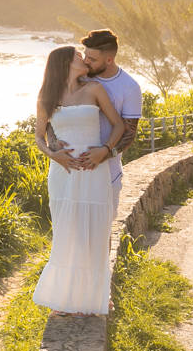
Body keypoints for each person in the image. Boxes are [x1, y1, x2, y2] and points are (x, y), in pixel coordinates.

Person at [31, 45, 124, 317]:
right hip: (63, 172)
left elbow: (118, 125)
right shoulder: (47, 96)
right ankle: (63, 298)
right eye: (78, 56)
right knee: (67, 232)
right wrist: (53, 155)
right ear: (65, 63)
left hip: (94, 169)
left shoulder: (94, 89)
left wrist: (104, 151)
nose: (84, 58)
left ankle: (89, 299)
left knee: (94, 232)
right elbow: (38, 137)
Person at [48, 29, 142, 218]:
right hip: (71, 170)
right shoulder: (80, 76)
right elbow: (53, 115)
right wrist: (53, 144)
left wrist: (104, 153)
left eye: (92, 59)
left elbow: (129, 132)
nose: (86, 61)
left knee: (102, 228)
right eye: (84, 56)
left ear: (109, 60)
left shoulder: (129, 88)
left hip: (108, 172)